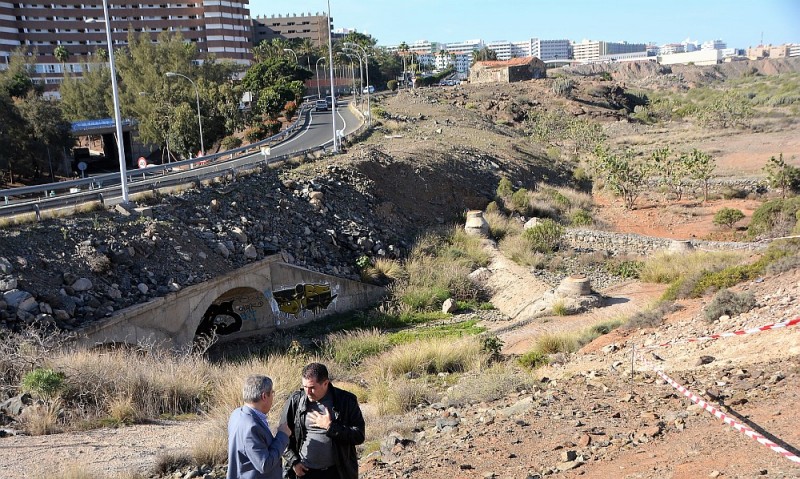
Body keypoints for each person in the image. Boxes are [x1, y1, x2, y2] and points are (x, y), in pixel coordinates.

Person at [281, 363, 365, 479]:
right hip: (305, 472)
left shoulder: (346, 401)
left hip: (336, 472)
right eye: (305, 387)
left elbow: (359, 435)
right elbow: (282, 435)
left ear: (325, 383)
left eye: (312, 388)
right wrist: (294, 462)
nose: (308, 392)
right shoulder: (296, 401)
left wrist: (330, 426)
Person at [228, 375, 292, 479]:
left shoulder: (237, 414)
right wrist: (282, 435)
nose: (273, 397)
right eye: (272, 393)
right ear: (264, 396)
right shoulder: (252, 427)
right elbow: (264, 465)